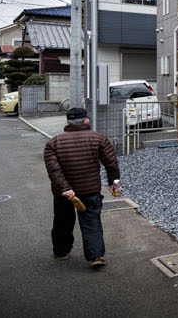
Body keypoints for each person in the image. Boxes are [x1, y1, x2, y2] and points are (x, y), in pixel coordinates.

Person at [43, 105, 121, 268]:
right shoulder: (99, 138)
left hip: (63, 194)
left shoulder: (54, 142)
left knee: (62, 222)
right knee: (91, 221)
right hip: (90, 190)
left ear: (67, 122)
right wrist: (114, 185)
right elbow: (111, 164)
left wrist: (65, 188)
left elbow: (54, 170)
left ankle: (61, 252)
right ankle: (96, 256)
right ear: (86, 120)